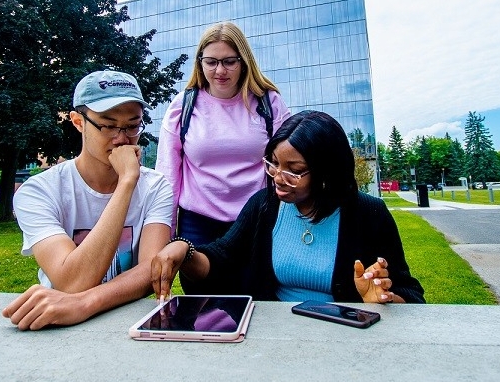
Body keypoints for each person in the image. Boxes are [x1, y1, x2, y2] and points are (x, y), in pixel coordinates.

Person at [152, 110, 425, 304]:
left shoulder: (370, 214)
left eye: (294, 171)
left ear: (328, 173)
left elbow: (411, 294)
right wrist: (184, 250)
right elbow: (221, 259)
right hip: (275, 340)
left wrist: (384, 298)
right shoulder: (263, 206)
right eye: (273, 164)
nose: (278, 179)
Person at [2, 70, 173, 330]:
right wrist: (126, 184)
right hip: (56, 326)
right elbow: (71, 282)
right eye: (108, 124)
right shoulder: (38, 191)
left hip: (128, 322)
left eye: (132, 125)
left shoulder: (156, 186)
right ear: (78, 121)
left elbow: (152, 270)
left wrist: (84, 303)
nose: (121, 138)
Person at [155, 21, 291, 293]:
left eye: (229, 61)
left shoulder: (269, 102)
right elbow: (168, 177)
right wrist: (166, 236)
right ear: (200, 63)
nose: (219, 70)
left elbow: (287, 163)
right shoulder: (182, 106)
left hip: (255, 218)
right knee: (202, 302)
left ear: (244, 61)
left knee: (256, 296)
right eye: (211, 62)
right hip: (198, 222)